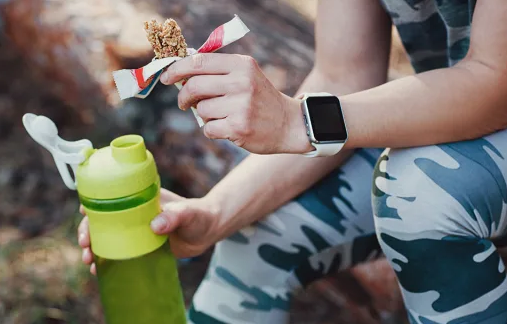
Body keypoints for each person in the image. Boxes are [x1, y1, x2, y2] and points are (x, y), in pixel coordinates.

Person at [79, 0, 507, 323]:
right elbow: (343, 76)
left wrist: (297, 120)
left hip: (487, 106)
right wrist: (212, 215)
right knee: (256, 228)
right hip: (459, 118)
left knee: (419, 194)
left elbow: (494, 82)